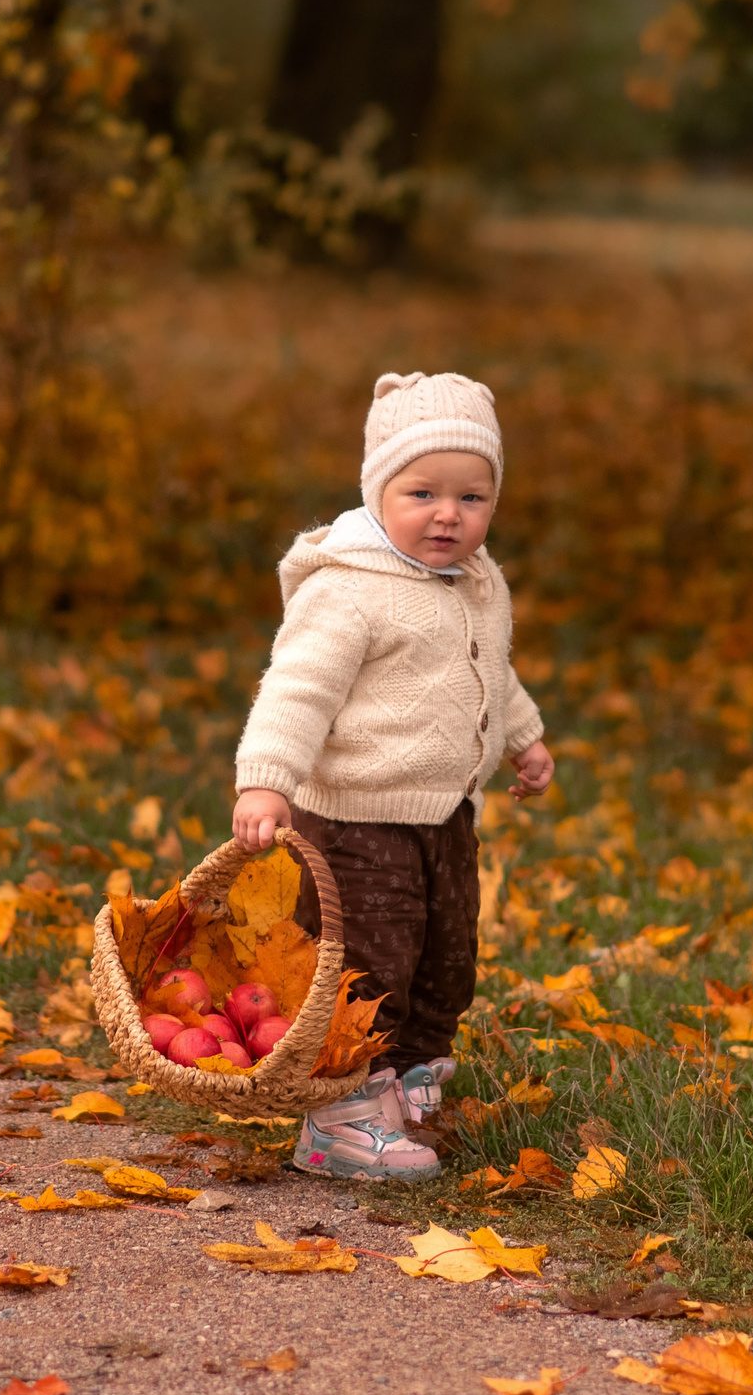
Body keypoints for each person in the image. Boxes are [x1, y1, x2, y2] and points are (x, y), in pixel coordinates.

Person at [230, 371, 555, 1179]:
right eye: (423, 492)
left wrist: (524, 736)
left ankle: (409, 1084)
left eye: (473, 497)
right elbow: (298, 688)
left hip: (444, 815)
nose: (449, 514)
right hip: (354, 820)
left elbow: (489, 669)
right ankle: (339, 1112)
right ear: (379, 491)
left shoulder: (477, 583)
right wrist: (266, 779)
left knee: (444, 953)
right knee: (365, 963)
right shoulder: (348, 589)